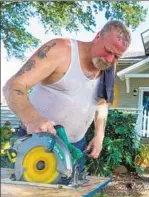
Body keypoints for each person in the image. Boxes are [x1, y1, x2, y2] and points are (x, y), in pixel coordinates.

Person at [3, 20, 131, 174]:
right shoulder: (61, 50)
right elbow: (13, 86)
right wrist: (32, 118)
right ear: (98, 37)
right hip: (37, 143)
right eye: (108, 51)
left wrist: (99, 136)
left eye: (117, 56)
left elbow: (102, 103)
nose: (110, 60)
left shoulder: (107, 67)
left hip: (75, 147)